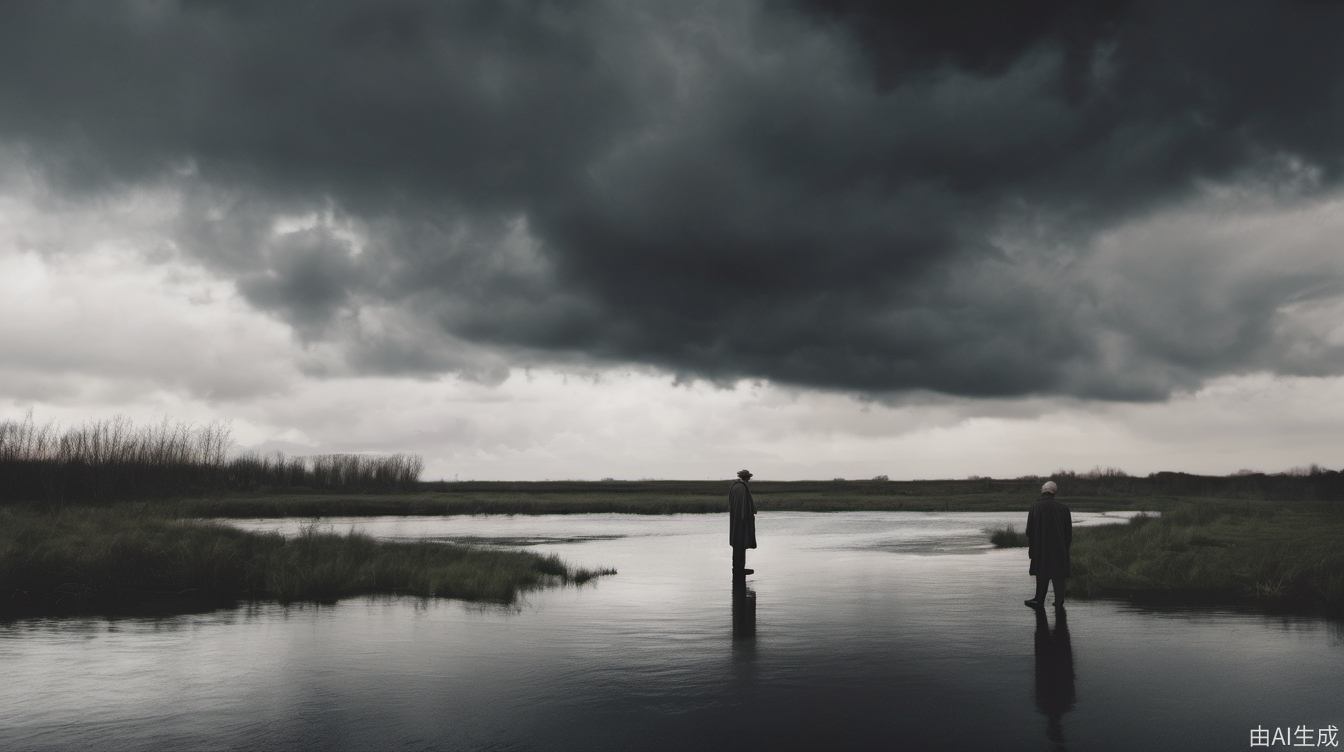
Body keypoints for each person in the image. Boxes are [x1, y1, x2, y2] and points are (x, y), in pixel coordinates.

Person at [1024, 480, 1072, 609]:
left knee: (1042, 573)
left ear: (1043, 491)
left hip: (1041, 549)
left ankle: (1039, 599)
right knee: (1058, 576)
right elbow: (1069, 534)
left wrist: (1032, 549)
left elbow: (1029, 531)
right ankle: (1059, 601)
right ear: (1054, 492)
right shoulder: (1064, 508)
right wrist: (1065, 547)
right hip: (1059, 550)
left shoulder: (1034, 507)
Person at [729, 469, 757, 574]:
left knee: (738, 544)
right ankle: (739, 569)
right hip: (741, 521)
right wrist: (745, 519)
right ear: (746, 477)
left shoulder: (736, 486)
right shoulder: (741, 488)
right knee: (740, 543)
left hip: (737, 520)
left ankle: (738, 568)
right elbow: (742, 506)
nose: (749, 479)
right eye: (749, 477)